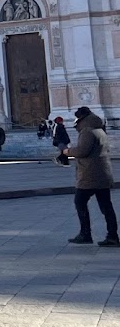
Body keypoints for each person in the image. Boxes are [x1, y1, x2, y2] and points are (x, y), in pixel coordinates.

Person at [61, 106, 118, 247]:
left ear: (81, 118)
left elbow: (82, 151)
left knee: (80, 201)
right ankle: (113, 236)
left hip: (90, 174)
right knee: (106, 206)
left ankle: (85, 234)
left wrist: (67, 151)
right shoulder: (99, 129)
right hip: (102, 173)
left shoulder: (87, 131)